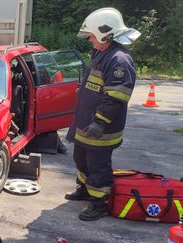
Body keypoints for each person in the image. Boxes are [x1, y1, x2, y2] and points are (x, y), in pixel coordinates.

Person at [65, 7, 141, 221]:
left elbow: (116, 96)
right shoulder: (101, 54)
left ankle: (99, 203)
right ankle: (85, 190)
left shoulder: (119, 60)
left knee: (97, 166)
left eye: (91, 35)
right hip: (85, 123)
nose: (89, 39)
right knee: (81, 159)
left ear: (104, 34)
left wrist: (99, 121)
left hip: (101, 128)